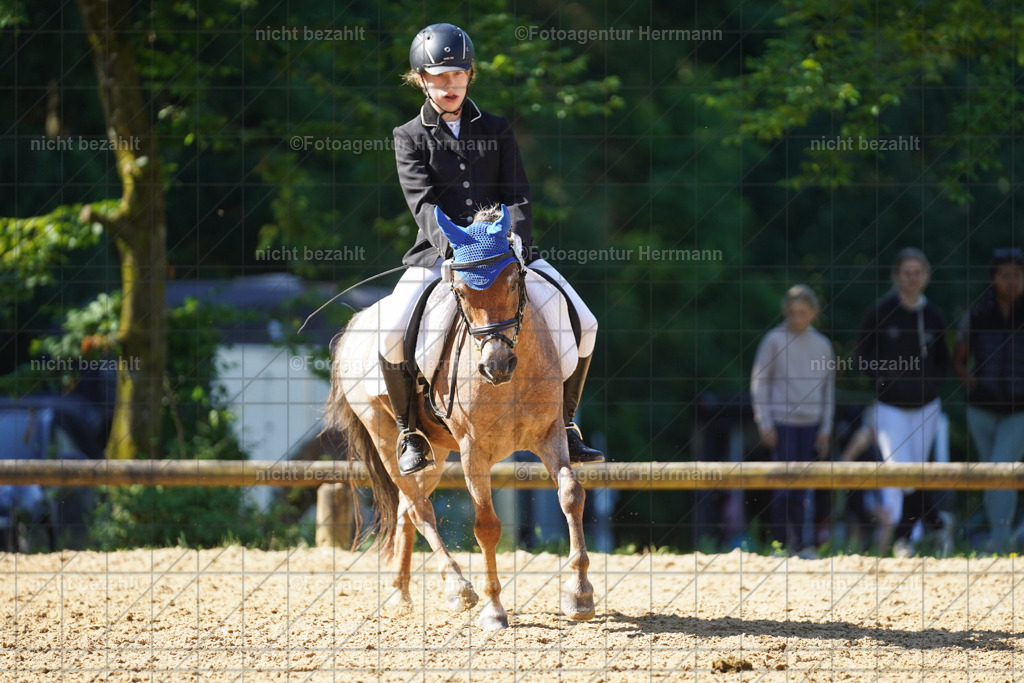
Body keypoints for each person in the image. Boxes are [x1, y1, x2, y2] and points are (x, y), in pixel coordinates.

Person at [380, 23, 602, 475]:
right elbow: (422, 203)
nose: (449, 85)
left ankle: (567, 424)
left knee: (587, 323)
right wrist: (457, 248)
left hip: (506, 254)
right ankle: (410, 432)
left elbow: (517, 193)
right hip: (441, 256)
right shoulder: (408, 136)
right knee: (389, 334)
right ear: (420, 78)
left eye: (457, 74)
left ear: (470, 75)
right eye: (439, 76)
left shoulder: (498, 129)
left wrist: (512, 242)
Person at [854, 248, 949, 555]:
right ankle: (935, 523)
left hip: (926, 407)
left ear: (926, 276)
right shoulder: (880, 311)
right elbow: (859, 355)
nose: (912, 278)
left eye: (917, 272)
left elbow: (943, 360)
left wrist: (929, 384)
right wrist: (882, 377)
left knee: (916, 473)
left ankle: (905, 540)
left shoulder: (933, 315)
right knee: (901, 470)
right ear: (896, 276)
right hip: (890, 407)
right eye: (906, 272)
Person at [751, 285, 835, 555]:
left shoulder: (823, 344)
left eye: (802, 312)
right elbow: (760, 382)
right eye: (792, 312)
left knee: (804, 488)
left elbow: (828, 390)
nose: (797, 318)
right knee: (782, 487)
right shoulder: (774, 340)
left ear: (813, 312)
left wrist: (825, 428)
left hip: (811, 423)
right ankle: (781, 545)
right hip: (782, 422)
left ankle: (804, 545)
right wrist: (764, 421)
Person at [953, 248, 1024, 554]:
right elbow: (959, 358)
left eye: (1018, 275)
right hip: (981, 407)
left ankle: (999, 540)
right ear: (993, 279)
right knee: (993, 474)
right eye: (1005, 275)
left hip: (1019, 409)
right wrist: (969, 379)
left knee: (1001, 468)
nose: (1012, 282)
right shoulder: (978, 315)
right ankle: (1004, 538)